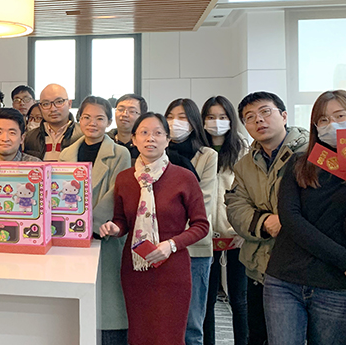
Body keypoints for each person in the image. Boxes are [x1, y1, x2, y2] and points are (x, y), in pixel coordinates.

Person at [263, 90, 346, 345]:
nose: (331, 124)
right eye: (323, 120)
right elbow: (291, 218)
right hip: (285, 280)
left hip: (336, 288)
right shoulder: (300, 163)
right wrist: (344, 259)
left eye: (340, 116)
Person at [98, 112, 209, 345]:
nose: (151, 138)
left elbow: (201, 225)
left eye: (158, 133)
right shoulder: (125, 178)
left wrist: (172, 245)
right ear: (134, 140)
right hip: (135, 268)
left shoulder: (184, 177)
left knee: (169, 336)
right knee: (139, 335)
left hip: (172, 267)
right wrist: (114, 228)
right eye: (144, 133)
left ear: (167, 140)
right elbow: (122, 221)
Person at [226, 91, 309, 345]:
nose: (258, 120)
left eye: (265, 112)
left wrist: (287, 220)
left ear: (284, 116)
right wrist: (264, 223)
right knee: (259, 336)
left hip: (304, 268)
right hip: (260, 268)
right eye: (250, 117)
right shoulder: (244, 165)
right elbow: (235, 205)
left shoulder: (310, 154)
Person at [60, 96, 131, 344]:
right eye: (87, 117)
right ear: (79, 120)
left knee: (108, 302)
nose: (92, 123)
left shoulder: (120, 153)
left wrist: (86, 226)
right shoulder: (66, 154)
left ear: (109, 122)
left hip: (103, 233)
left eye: (100, 118)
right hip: (71, 239)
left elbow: (116, 193)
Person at [165, 98, 219, 345]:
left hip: (194, 247)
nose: (175, 123)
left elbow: (203, 202)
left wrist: (175, 239)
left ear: (194, 122)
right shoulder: (157, 152)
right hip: (160, 247)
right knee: (165, 320)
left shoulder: (207, 156)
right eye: (170, 117)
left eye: (182, 117)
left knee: (192, 323)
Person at [202, 96, 249, 345]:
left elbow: (250, 193)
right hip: (204, 236)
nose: (216, 122)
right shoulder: (198, 150)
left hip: (237, 235)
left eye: (222, 117)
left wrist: (243, 230)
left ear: (231, 120)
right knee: (206, 300)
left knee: (239, 299)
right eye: (211, 117)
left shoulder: (243, 150)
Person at [23, 83, 83, 161]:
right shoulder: (30, 137)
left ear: (69, 104)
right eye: (46, 104)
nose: (53, 109)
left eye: (59, 102)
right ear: (40, 107)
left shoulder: (83, 134)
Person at [108, 94, 147, 159]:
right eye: (120, 109)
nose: (124, 114)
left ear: (142, 117)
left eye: (132, 111)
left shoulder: (146, 143)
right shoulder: (105, 141)